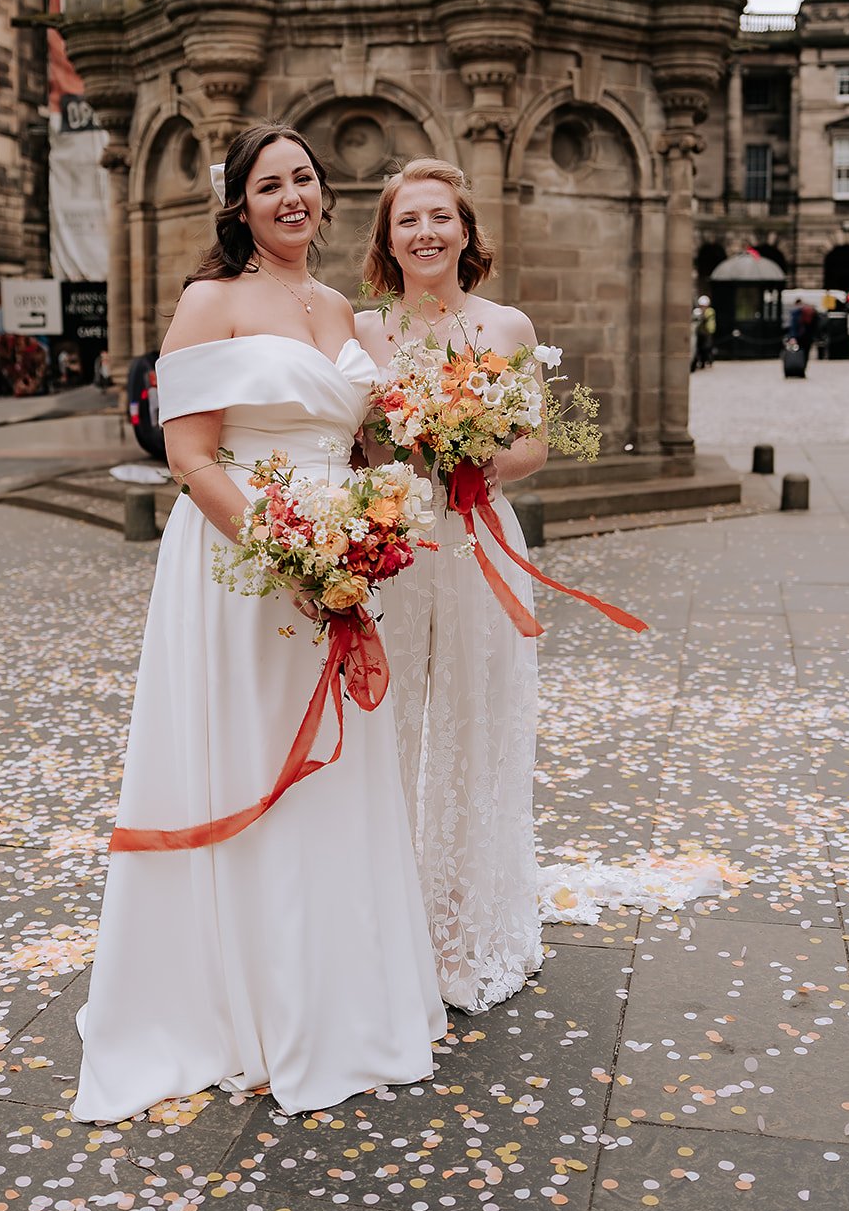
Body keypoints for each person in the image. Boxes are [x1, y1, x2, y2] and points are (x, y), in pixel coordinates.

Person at [73, 124, 444, 1123]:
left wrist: (373, 524)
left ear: (324, 196)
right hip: (243, 564)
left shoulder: (338, 306)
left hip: (337, 560)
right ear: (237, 204)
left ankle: (342, 998)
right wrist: (285, 552)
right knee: (255, 764)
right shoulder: (210, 301)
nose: (292, 197)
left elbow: (368, 435)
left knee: (337, 778)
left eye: (306, 180)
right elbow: (189, 455)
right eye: (270, 184)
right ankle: (248, 1006)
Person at [355, 159, 548, 1013]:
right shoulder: (362, 331)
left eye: (440, 218)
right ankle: (377, 918)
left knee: (477, 724)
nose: (424, 233)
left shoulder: (504, 326)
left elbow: (536, 446)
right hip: (394, 543)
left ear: (466, 232)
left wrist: (470, 455)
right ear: (387, 239)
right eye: (407, 221)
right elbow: (352, 444)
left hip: (477, 540)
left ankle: (468, 921)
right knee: (383, 728)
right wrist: (391, 461)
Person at [693, 294, 716, 369]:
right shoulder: (698, 311)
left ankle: (709, 361)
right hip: (699, 332)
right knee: (699, 348)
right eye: (701, 306)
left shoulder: (710, 311)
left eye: (704, 306)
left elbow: (708, 319)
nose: (702, 307)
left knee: (707, 347)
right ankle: (701, 362)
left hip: (707, 332)